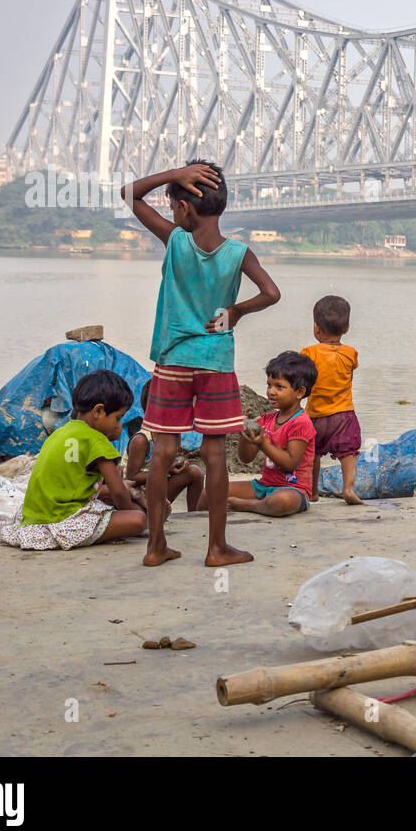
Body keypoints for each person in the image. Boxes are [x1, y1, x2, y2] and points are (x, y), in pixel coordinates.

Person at [120, 159, 281, 567]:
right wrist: (237, 311)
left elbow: (129, 193)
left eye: (174, 205)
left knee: (163, 451)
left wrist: (175, 175)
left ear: (185, 208)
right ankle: (217, 548)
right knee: (213, 453)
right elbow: (271, 293)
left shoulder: (174, 241)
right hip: (215, 362)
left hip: (174, 360)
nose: (173, 213)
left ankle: (155, 547)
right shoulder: (238, 253)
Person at [1, 370, 146, 551]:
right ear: (98, 411)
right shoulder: (96, 440)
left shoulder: (60, 433)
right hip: (62, 520)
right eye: (117, 418)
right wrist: (130, 515)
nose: (119, 425)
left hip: (33, 519)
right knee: (139, 520)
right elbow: (118, 491)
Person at [222, 351, 317, 516]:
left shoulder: (301, 422)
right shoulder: (266, 419)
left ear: (300, 392)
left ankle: (249, 505)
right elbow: (246, 458)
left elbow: (290, 463)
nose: (271, 392)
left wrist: (262, 443)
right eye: (269, 385)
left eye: (279, 387)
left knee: (281, 501)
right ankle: (194, 519)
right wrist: (244, 433)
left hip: (293, 489)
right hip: (264, 485)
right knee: (213, 491)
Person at [301, 294, 364, 505]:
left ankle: (312, 491)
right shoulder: (350, 353)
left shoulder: (309, 353)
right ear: (347, 327)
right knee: (348, 453)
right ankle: (348, 488)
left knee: (312, 454)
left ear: (316, 328)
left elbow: (304, 385)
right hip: (344, 414)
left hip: (315, 414)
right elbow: (349, 378)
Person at [124, 380, 204, 511]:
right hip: (137, 495)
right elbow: (132, 478)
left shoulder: (173, 435)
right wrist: (167, 470)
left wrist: (179, 463)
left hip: (158, 483)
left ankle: (193, 515)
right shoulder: (142, 440)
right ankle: (151, 511)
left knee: (195, 472)